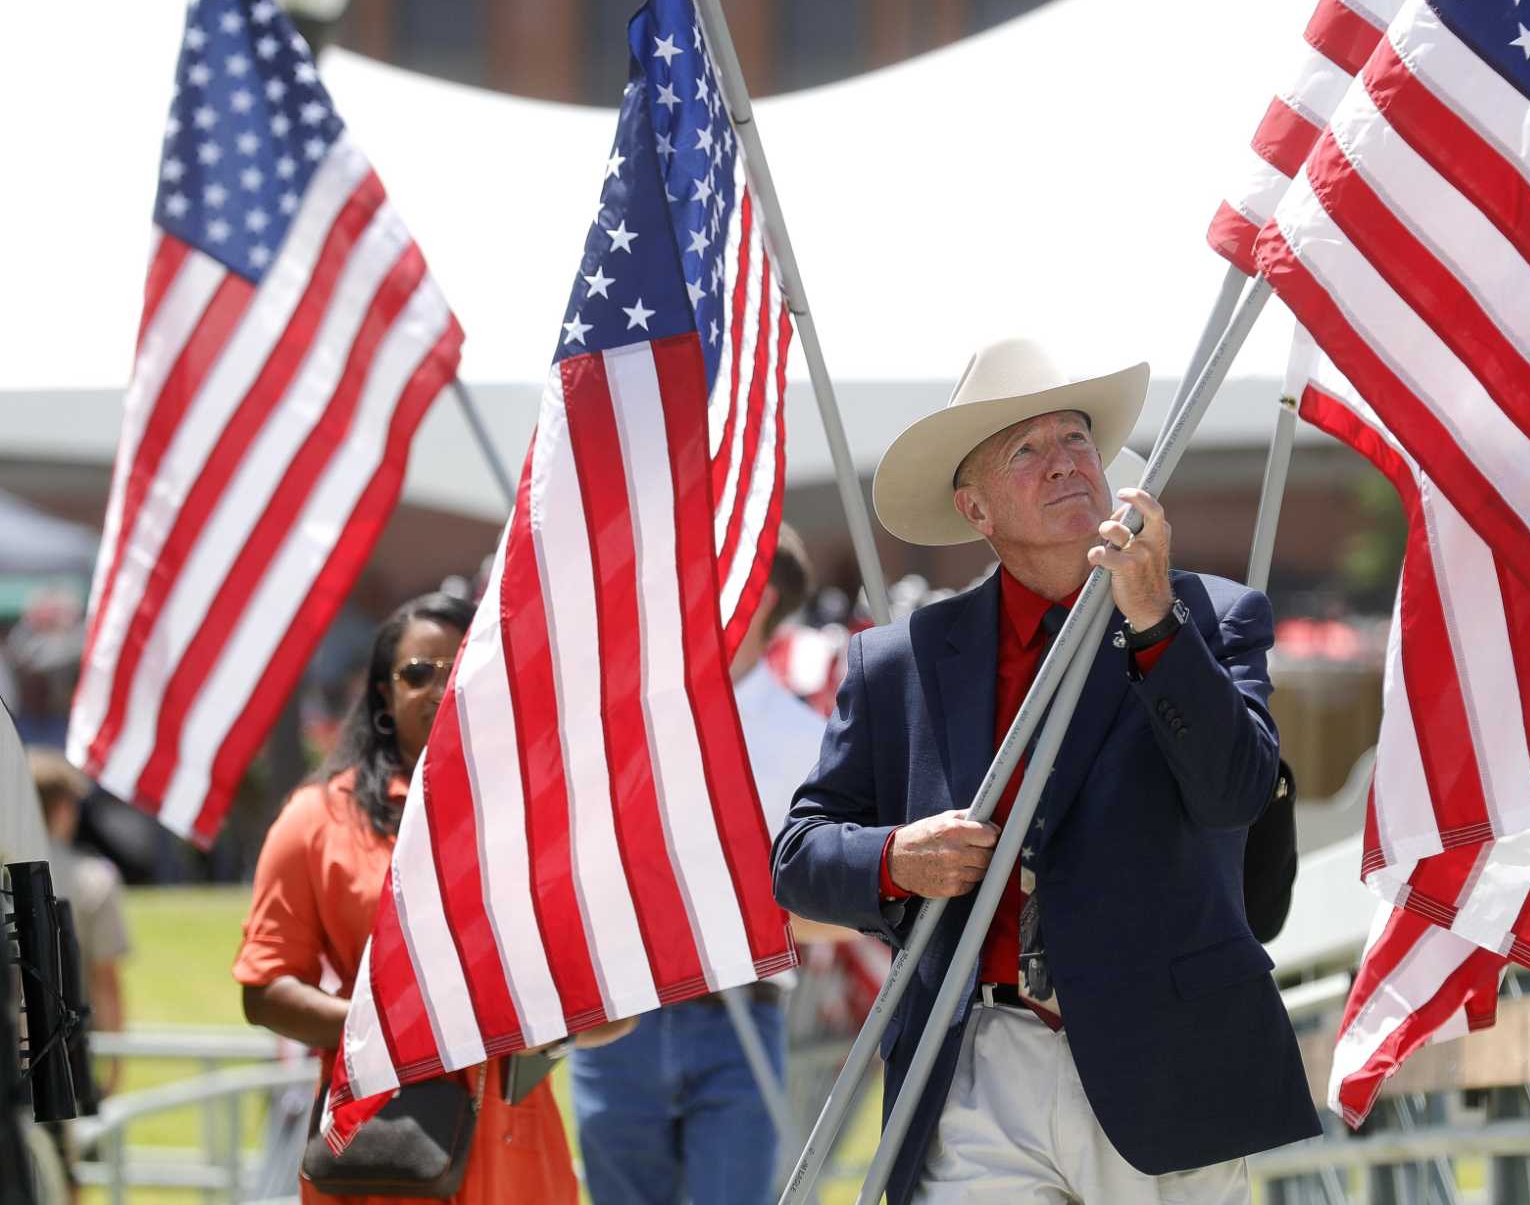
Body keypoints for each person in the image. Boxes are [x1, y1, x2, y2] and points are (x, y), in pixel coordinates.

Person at [774, 337, 1321, 1204]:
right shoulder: (898, 660)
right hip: (978, 1064)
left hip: (1170, 1060)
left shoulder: (1212, 616)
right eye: (1026, 449)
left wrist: (1156, 625)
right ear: (976, 507)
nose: (1066, 462)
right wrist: (895, 858)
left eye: (1076, 439)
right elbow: (799, 855)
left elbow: (1235, 791)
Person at [232, 592, 582, 1205]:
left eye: (461, 667)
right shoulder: (318, 819)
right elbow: (264, 990)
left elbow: (613, 998)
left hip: (516, 1141)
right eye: (419, 672)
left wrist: (549, 1025)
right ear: (383, 700)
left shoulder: (544, 813)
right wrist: (398, 1034)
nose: (440, 687)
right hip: (382, 1140)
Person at [571, 527, 823, 1205]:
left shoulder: (811, 743)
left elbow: (844, 906)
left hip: (739, 1014)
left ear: (761, 593)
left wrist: (745, 903)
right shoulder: (622, 720)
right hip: (620, 1015)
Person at [28, 748, 128, 1093]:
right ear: (62, 809)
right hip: (70, 1061)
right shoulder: (94, 879)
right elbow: (105, 980)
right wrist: (115, 1066)